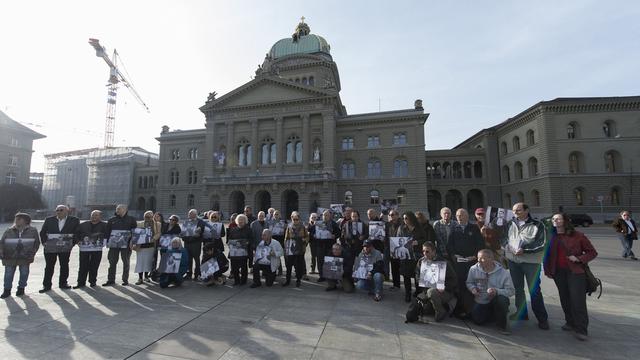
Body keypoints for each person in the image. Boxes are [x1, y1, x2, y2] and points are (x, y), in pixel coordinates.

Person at [544, 213, 598, 341]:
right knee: (565, 298)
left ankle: (581, 329)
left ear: (565, 221)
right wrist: (548, 270)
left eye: (558, 219)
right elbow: (546, 255)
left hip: (575, 271)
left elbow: (592, 252)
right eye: (553, 219)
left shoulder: (578, 236)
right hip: (558, 272)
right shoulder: (551, 236)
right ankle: (570, 322)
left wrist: (579, 258)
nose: (555, 221)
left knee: (577, 301)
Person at [499, 202, 549, 329]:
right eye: (514, 210)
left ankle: (542, 318)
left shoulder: (538, 225)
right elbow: (503, 238)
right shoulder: (510, 223)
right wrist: (507, 246)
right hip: (513, 261)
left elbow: (542, 243)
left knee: (534, 291)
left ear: (527, 210)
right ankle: (521, 313)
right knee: (518, 289)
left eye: (519, 210)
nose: (515, 212)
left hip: (530, 262)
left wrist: (524, 250)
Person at [467, 249, 515, 335]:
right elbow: (469, 282)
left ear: (491, 259)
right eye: (478, 258)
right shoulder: (473, 269)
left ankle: (501, 325)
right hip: (481, 300)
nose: (478, 260)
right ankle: (493, 314)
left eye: (482, 258)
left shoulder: (504, 273)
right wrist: (473, 289)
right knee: (478, 320)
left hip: (495, 298)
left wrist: (496, 291)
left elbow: (511, 291)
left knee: (502, 300)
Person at [447, 208, 485, 317]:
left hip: (471, 262)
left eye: (461, 215)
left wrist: (474, 256)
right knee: (460, 285)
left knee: (471, 285)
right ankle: (459, 308)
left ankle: (471, 309)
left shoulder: (473, 228)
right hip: (459, 263)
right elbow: (450, 245)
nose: (459, 217)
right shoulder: (454, 228)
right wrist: (454, 255)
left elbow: (480, 244)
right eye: (457, 215)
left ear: (467, 216)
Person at [409, 242, 457, 322]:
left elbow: (454, 280)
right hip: (426, 291)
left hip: (444, 291)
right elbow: (417, 274)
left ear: (434, 251)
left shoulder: (444, 262)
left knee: (432, 292)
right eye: (423, 251)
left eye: (427, 251)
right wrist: (421, 280)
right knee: (419, 308)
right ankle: (439, 306)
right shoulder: (421, 261)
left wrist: (444, 286)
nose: (425, 253)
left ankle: (441, 311)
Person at [39, 204, 80, 293]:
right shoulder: (49, 220)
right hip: (50, 247)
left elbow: (77, 232)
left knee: (64, 265)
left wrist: (72, 243)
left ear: (67, 211)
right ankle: (46, 285)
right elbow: (42, 232)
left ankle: (63, 283)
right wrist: (44, 243)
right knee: (49, 266)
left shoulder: (74, 220)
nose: (59, 212)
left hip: (65, 248)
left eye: (61, 210)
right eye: (57, 210)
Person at [1, 213, 40, 298]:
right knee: (8, 274)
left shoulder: (32, 230)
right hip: (10, 257)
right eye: (16, 218)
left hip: (25, 257)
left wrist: (32, 252)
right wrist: (1, 252)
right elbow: (2, 242)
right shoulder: (9, 230)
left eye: (19, 218)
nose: (17, 220)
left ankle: (21, 289)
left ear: (26, 221)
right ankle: (6, 290)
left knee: (24, 273)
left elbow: (36, 243)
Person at [103, 204, 137, 287]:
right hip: (113, 244)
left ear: (125, 210)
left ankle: (125, 280)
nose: (117, 210)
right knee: (112, 262)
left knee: (126, 262)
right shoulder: (111, 220)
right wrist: (106, 242)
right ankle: (111, 280)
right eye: (116, 209)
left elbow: (134, 232)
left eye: (119, 209)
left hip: (126, 245)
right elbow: (107, 231)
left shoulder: (131, 219)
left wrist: (132, 242)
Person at [396, 211, 427, 303]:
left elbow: (425, 239)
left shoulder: (419, 227)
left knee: (417, 275)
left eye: (407, 218)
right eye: (404, 218)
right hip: (405, 255)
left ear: (411, 218)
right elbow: (397, 239)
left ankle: (418, 292)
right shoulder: (401, 228)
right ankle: (407, 294)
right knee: (406, 275)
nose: (405, 220)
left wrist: (417, 242)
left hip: (417, 254)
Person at [75, 210, 107, 288]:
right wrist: (77, 241)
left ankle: (93, 281)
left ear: (100, 217)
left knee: (94, 265)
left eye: (96, 215)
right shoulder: (83, 225)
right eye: (92, 215)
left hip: (97, 249)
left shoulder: (105, 225)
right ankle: (80, 282)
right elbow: (76, 234)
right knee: (83, 266)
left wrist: (105, 242)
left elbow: (108, 234)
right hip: (84, 249)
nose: (94, 217)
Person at [311, 209, 340, 282]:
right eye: (324, 215)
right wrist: (313, 235)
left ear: (330, 216)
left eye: (327, 215)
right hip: (320, 245)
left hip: (330, 245)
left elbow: (339, 233)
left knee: (330, 261)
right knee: (320, 261)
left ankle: (331, 277)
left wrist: (335, 235)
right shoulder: (318, 223)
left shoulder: (333, 224)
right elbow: (311, 232)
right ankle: (322, 276)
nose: (325, 216)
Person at [283, 211, 309, 287]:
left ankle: (298, 280)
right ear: (292, 219)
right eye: (294, 219)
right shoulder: (289, 226)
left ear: (299, 219)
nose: (295, 221)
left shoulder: (303, 227)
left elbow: (307, 236)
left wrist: (305, 240)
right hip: (291, 249)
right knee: (288, 265)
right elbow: (286, 238)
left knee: (298, 266)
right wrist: (286, 247)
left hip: (300, 249)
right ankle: (287, 280)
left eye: (297, 219)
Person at [227, 214, 253, 285]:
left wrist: (247, 242)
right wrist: (229, 243)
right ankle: (236, 281)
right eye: (239, 220)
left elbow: (251, 239)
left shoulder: (248, 230)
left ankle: (243, 281)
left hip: (243, 252)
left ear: (245, 221)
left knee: (244, 267)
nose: (241, 221)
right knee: (234, 267)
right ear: (236, 221)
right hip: (234, 252)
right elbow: (229, 240)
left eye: (242, 220)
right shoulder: (233, 230)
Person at [182, 209, 206, 280]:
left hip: (196, 243)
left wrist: (191, 238)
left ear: (195, 215)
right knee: (188, 259)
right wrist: (184, 238)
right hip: (187, 243)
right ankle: (189, 274)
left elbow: (199, 232)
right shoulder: (185, 222)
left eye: (191, 214)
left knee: (196, 259)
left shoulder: (200, 222)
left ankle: (197, 274)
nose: (190, 215)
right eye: (189, 214)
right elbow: (183, 232)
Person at [134, 211, 157, 285]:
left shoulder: (156, 224)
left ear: (152, 217)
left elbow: (158, 233)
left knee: (148, 262)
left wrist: (153, 238)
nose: (148, 218)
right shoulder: (139, 223)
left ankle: (146, 277)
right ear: (144, 217)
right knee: (140, 262)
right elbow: (135, 233)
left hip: (150, 246)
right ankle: (140, 278)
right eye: (146, 217)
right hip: (141, 246)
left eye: (149, 217)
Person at [386, 210, 404, 290]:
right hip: (392, 248)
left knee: (403, 267)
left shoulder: (402, 224)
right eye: (390, 215)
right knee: (394, 267)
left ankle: (408, 286)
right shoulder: (388, 224)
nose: (391, 216)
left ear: (397, 215)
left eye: (393, 214)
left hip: (401, 247)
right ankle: (396, 285)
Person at [269, 210, 286, 276]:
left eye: (277, 214)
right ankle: (277, 270)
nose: (276, 215)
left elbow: (286, 230)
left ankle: (282, 270)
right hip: (273, 239)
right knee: (275, 255)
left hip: (281, 239)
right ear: (273, 215)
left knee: (282, 255)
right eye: (275, 214)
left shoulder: (283, 222)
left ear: (280, 215)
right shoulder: (270, 222)